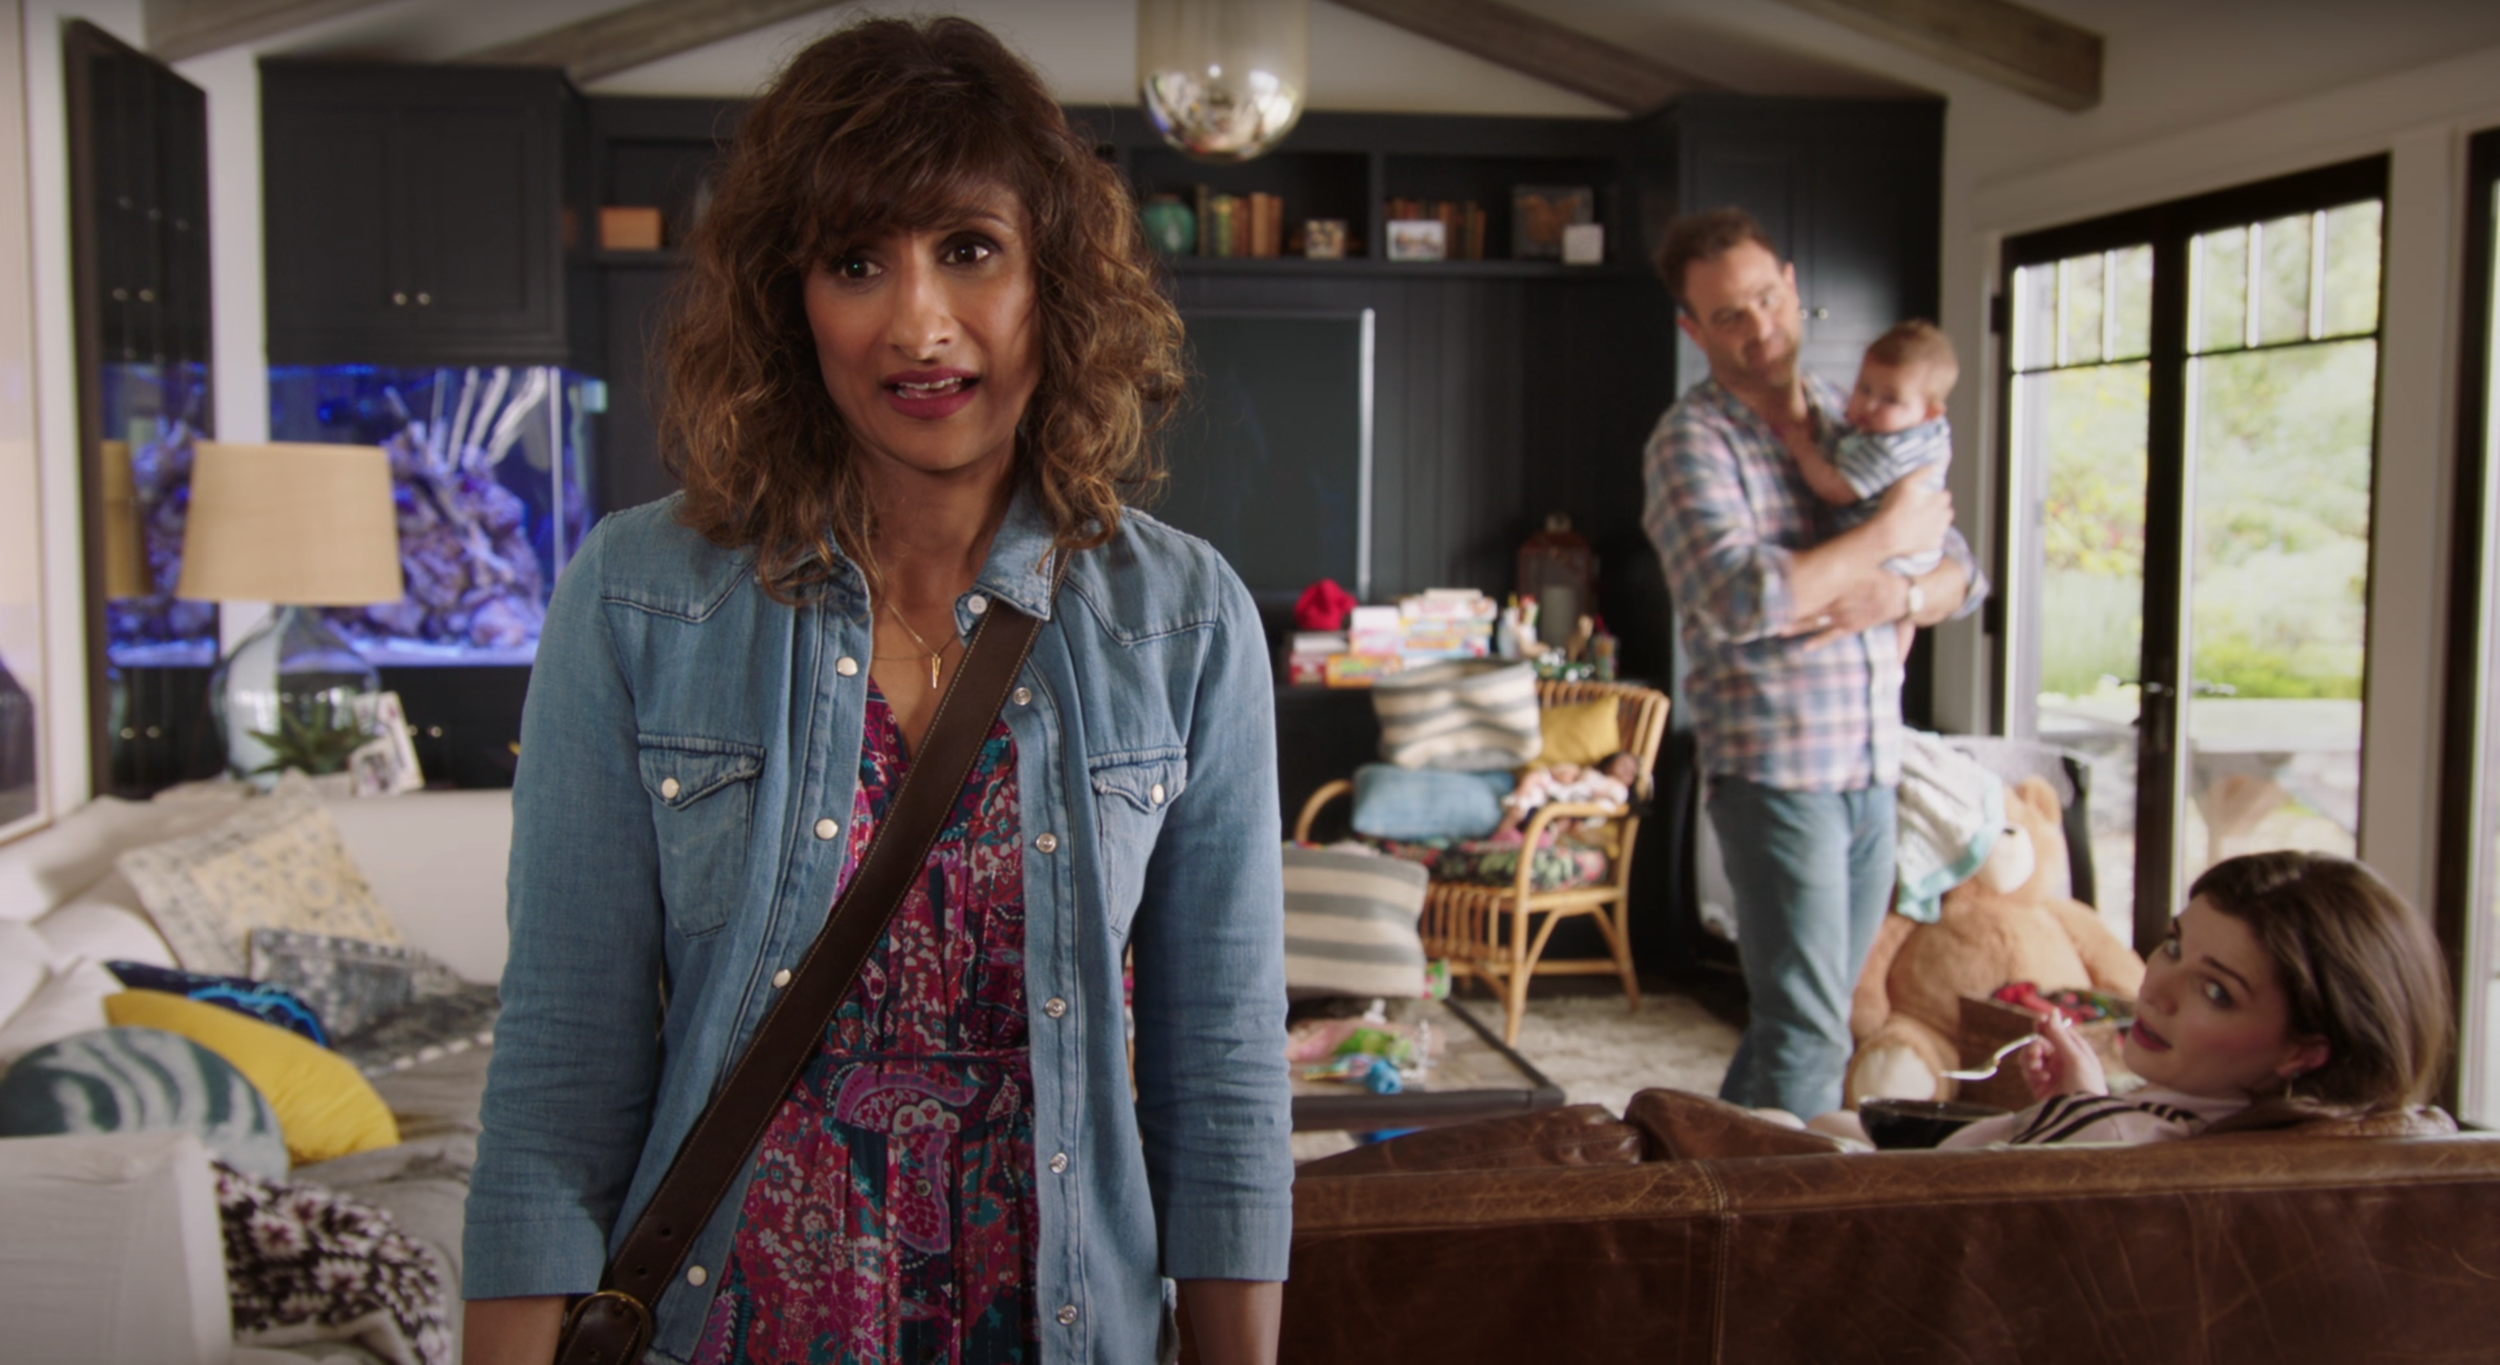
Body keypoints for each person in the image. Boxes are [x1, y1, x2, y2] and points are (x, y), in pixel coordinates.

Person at [461, 18, 1291, 1365]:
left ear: (1052, 276)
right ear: (789, 302)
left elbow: (1224, 1072)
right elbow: (562, 1065)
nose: (918, 323)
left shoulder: (1184, 620)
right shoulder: (636, 597)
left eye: (969, 248)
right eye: (856, 262)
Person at [1641, 206, 1987, 1121]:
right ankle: (1779, 1205)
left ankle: (1697, 1173)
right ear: (1694, 330)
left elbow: (1961, 571)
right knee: (1810, 1030)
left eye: (1766, 298)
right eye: (1729, 315)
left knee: (1810, 1017)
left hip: (1872, 764)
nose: (1759, 328)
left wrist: (1901, 592)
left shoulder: (1859, 408)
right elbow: (1739, 598)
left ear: (1792, 287)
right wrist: (1885, 534)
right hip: (1778, 775)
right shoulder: (1691, 443)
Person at [1939, 850, 2453, 1147]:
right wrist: (2082, 1104)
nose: (2155, 990)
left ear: (2305, 1052)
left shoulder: (2113, 1138)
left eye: (2215, 991)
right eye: (2174, 946)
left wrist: (2081, 1119)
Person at [1802, 320, 1960, 658]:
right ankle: (1896, 665)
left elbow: (1836, 489)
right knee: (1899, 625)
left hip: (1897, 560)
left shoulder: (1890, 447)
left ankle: (1894, 666)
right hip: (1916, 553)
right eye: (1864, 388)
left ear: (1929, 412)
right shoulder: (1920, 431)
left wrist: (1800, 447)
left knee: (1886, 616)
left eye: (1890, 399)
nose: (1869, 405)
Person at [1489, 751, 1638, 843]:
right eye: (1624, 763)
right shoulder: (1587, 773)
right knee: (1517, 810)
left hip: (1570, 812)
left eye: (1632, 771)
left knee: (1559, 825)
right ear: (1611, 762)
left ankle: (1527, 844)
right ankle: (1498, 840)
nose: (1628, 770)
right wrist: (1568, 776)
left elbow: (1611, 804)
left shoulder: (1619, 790)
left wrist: (1601, 796)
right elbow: (1559, 775)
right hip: (1551, 798)